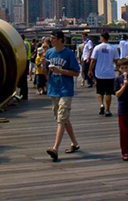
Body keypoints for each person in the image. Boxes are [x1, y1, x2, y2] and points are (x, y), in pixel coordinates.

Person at [45, 30, 81, 161]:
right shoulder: (49, 53)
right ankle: (75, 143)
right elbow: (46, 70)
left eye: (53, 38)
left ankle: (55, 148)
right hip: (54, 89)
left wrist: (61, 71)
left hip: (66, 90)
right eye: (51, 38)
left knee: (61, 118)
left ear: (60, 39)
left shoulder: (69, 54)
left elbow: (76, 73)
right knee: (62, 118)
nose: (51, 40)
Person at [89, 31, 119, 116]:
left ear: (102, 37)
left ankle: (101, 104)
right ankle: (108, 110)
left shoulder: (97, 48)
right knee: (108, 93)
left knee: (100, 91)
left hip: (99, 73)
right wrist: (119, 70)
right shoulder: (113, 48)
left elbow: (93, 60)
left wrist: (90, 70)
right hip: (110, 73)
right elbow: (117, 61)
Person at [20, 34, 31, 100]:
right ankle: (23, 94)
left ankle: (23, 94)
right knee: (24, 79)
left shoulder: (21, 45)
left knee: (23, 79)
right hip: (26, 61)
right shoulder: (26, 44)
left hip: (22, 62)